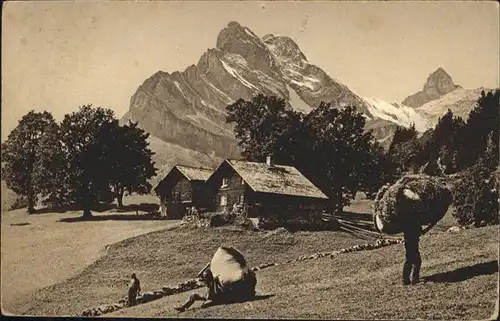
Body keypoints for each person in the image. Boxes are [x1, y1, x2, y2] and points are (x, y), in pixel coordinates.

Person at [174, 267, 256, 312]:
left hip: (217, 298)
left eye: (206, 278)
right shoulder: (212, 281)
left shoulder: (215, 281)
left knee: (203, 304)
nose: (205, 280)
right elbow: (199, 276)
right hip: (211, 297)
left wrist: (208, 302)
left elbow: (214, 294)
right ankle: (183, 307)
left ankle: (183, 307)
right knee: (193, 295)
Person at [402, 221, 435, 285]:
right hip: (412, 244)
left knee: (409, 261)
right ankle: (414, 279)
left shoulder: (408, 225)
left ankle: (406, 280)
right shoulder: (414, 226)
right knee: (416, 261)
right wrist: (431, 226)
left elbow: (420, 232)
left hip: (409, 244)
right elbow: (421, 232)